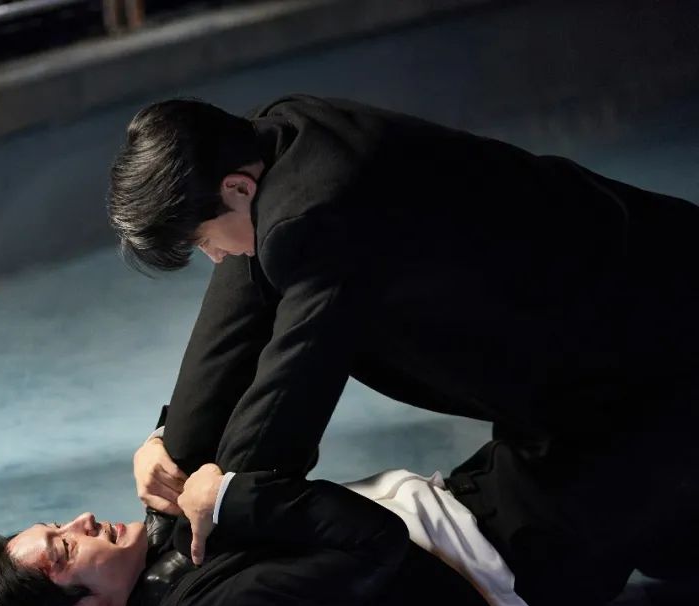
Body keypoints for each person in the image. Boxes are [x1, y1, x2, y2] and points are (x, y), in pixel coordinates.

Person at [107, 95, 699, 578]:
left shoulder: (311, 216)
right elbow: (239, 304)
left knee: (661, 545)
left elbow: (295, 387)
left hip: (652, 325)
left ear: (237, 189)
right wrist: (175, 447)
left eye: (203, 240)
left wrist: (221, 503)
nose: (213, 257)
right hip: (619, 288)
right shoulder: (269, 140)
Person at [0, 448, 654, 606]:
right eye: (64, 548)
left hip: (484, 499)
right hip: (523, 550)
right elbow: (377, 546)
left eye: (58, 525)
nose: (79, 520)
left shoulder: (161, 571)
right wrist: (231, 496)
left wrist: (168, 438)